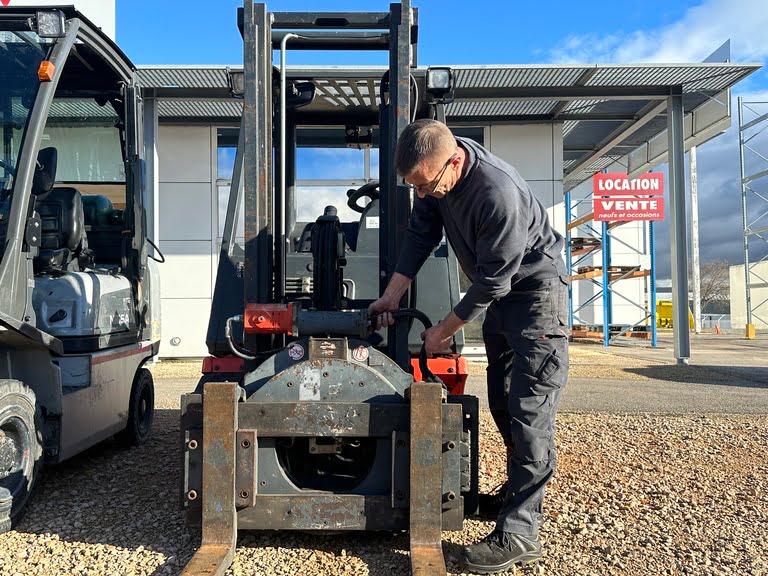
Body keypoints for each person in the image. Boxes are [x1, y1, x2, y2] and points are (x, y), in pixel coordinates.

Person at [369, 119, 570, 574]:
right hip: (501, 296)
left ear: (454, 162)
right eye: (414, 187)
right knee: (501, 400)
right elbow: (421, 235)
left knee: (529, 409)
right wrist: (392, 294)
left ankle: (521, 531)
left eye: (427, 185)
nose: (423, 195)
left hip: (535, 296)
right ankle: (517, 493)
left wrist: (443, 330)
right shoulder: (437, 177)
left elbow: (493, 281)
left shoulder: (496, 193)